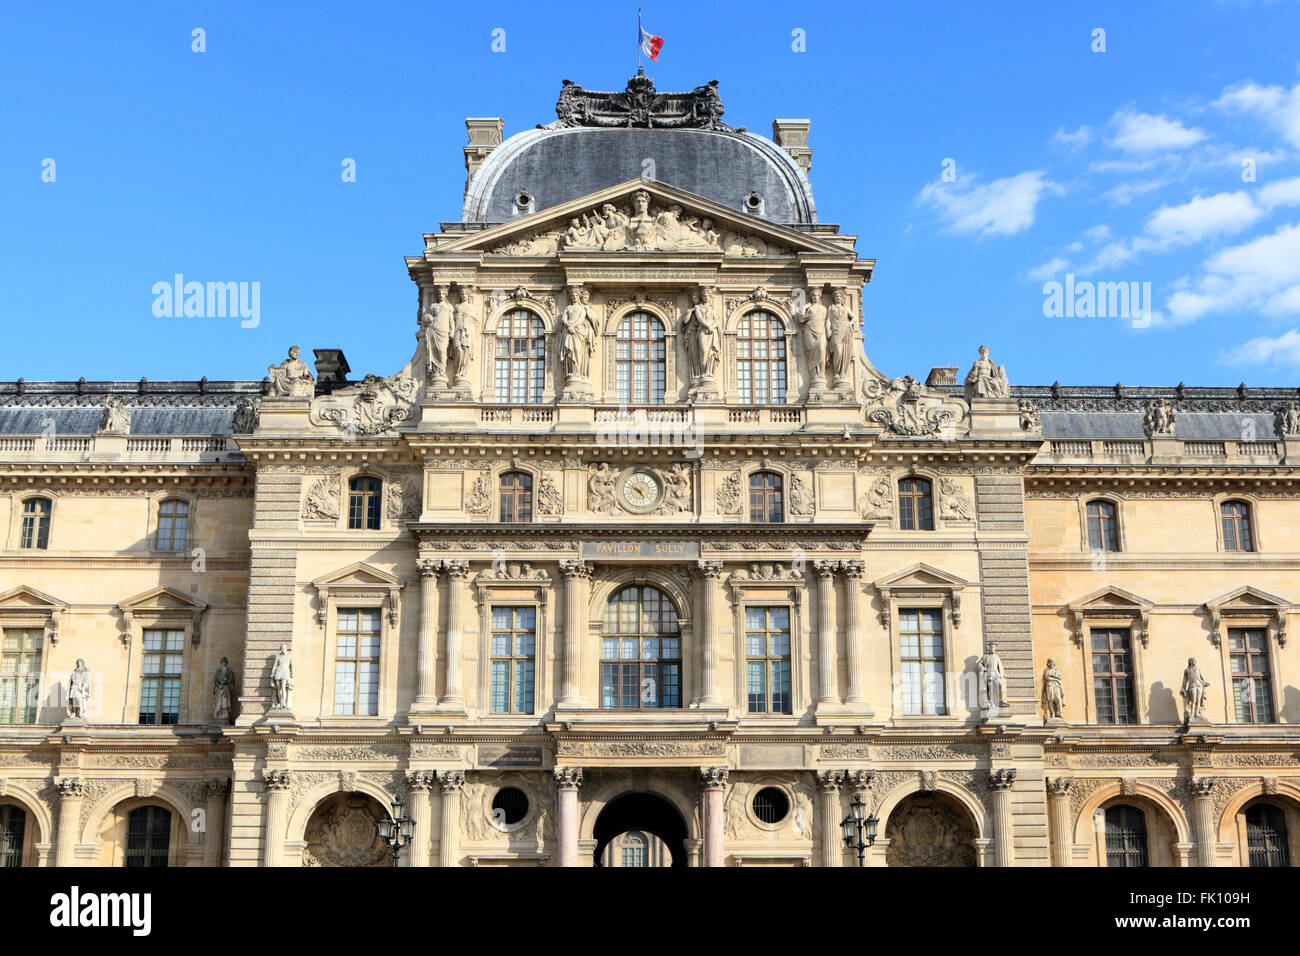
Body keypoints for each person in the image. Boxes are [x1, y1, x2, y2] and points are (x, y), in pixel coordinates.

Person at [212, 657, 236, 724]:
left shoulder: (230, 671)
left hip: (226, 688)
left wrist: (225, 682)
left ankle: (226, 715)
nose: (224, 663)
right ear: (221, 663)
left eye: (225, 662)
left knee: (225, 702)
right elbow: (215, 680)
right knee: (219, 702)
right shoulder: (218, 671)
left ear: (227, 663)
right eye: (222, 662)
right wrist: (218, 684)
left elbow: (231, 680)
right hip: (219, 689)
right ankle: (218, 715)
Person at [271, 643, 293, 710]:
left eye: (284, 648)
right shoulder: (278, 656)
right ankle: (280, 702)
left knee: (283, 688)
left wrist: (292, 673)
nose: (283, 649)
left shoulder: (289, 656)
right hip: (278, 672)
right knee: (278, 688)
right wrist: (272, 673)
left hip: (285, 673)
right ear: (281, 649)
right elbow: (275, 665)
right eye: (282, 648)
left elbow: (292, 666)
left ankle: (284, 703)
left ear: (286, 649)